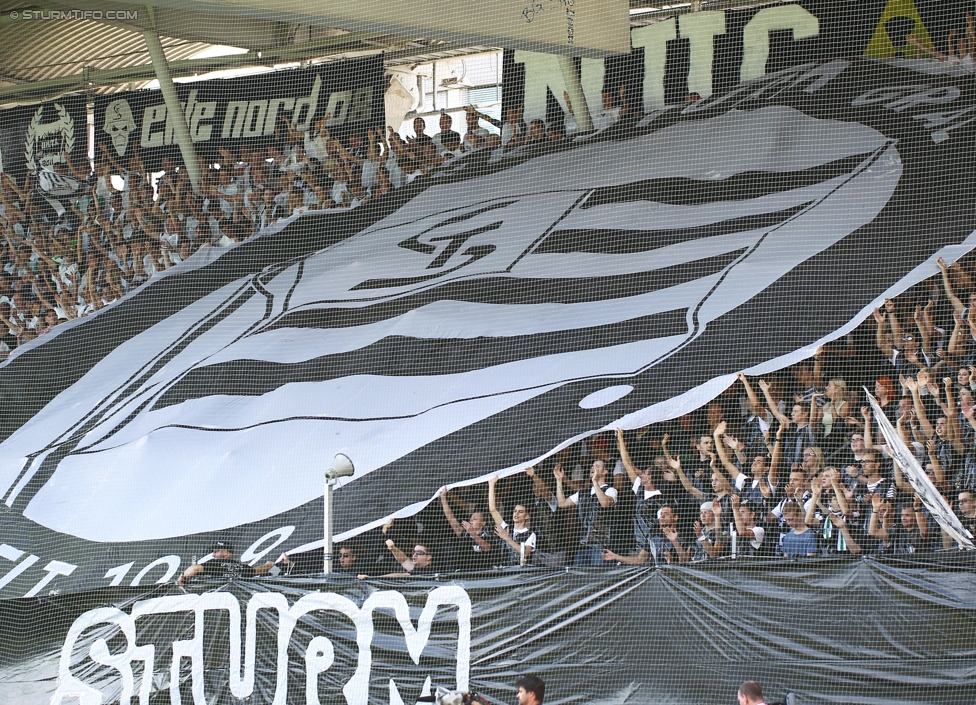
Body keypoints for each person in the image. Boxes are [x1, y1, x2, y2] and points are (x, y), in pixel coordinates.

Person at [555, 459, 617, 566]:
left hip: (601, 546)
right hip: (582, 545)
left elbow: (605, 503)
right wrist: (559, 480)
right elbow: (562, 503)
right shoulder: (583, 493)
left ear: (605, 472)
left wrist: (595, 482)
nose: (593, 468)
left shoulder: (610, 490)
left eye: (597, 466)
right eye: (592, 466)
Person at [488, 475, 537, 565]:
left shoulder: (530, 534)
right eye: (515, 511)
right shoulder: (506, 528)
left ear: (526, 516)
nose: (516, 514)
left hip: (520, 573)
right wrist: (491, 485)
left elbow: (525, 553)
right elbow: (493, 510)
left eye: (520, 512)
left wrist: (507, 538)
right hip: (503, 570)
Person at [176, 541, 275, 586]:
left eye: (215, 552)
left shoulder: (215, 565)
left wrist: (182, 576)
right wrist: (270, 566)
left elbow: (195, 568)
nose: (213, 555)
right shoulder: (241, 567)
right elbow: (258, 571)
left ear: (225, 552)